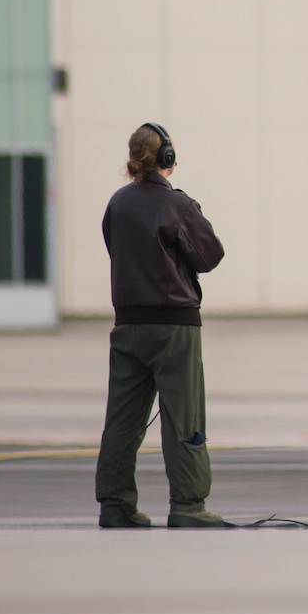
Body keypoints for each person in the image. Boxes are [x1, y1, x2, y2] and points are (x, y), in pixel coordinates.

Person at [94, 122, 232, 529]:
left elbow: (113, 247)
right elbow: (210, 255)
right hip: (175, 327)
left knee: (122, 419)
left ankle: (115, 504)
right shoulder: (178, 206)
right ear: (167, 157)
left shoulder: (117, 204)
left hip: (128, 325)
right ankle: (188, 504)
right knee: (183, 418)